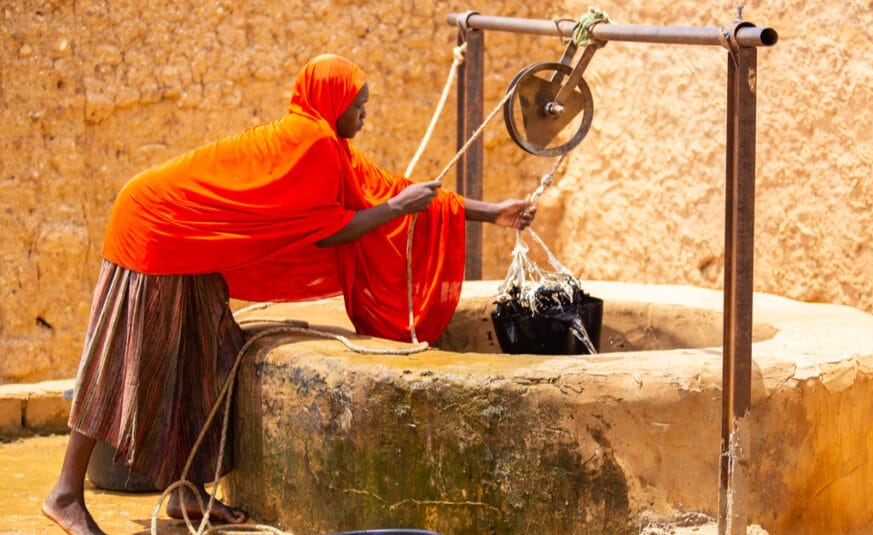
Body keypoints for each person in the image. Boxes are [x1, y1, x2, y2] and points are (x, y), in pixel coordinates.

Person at [42, 53, 535, 534]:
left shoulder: (329, 143)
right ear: (331, 101)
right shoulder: (312, 144)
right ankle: (65, 494)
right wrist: (397, 208)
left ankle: (186, 491)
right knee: (126, 365)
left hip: (190, 241)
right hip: (156, 230)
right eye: (358, 106)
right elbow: (333, 230)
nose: (364, 116)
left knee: (202, 356)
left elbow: (390, 188)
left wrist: (493, 213)